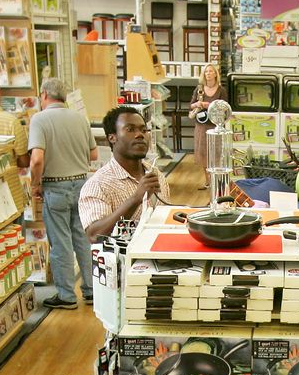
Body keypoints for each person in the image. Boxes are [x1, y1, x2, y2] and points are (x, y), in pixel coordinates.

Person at [29, 78, 97, 309]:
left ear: (44, 95)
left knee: (60, 243)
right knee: (82, 239)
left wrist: (35, 184)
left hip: (55, 186)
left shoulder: (39, 119)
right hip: (81, 185)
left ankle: (67, 295)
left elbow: (37, 159)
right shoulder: (79, 118)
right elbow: (94, 154)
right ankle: (91, 290)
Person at [79, 106, 169, 241]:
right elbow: (94, 235)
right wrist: (135, 199)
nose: (140, 135)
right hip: (125, 255)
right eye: (130, 129)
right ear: (112, 138)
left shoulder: (156, 175)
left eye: (144, 130)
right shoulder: (98, 185)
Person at [189, 63, 227, 190]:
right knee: (203, 153)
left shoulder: (221, 90)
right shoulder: (199, 89)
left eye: (211, 71)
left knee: (216, 153)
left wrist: (209, 105)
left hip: (216, 126)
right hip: (202, 125)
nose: (208, 73)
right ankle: (208, 181)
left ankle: (216, 181)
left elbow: (225, 107)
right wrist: (197, 104)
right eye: (206, 71)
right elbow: (191, 105)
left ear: (216, 74)